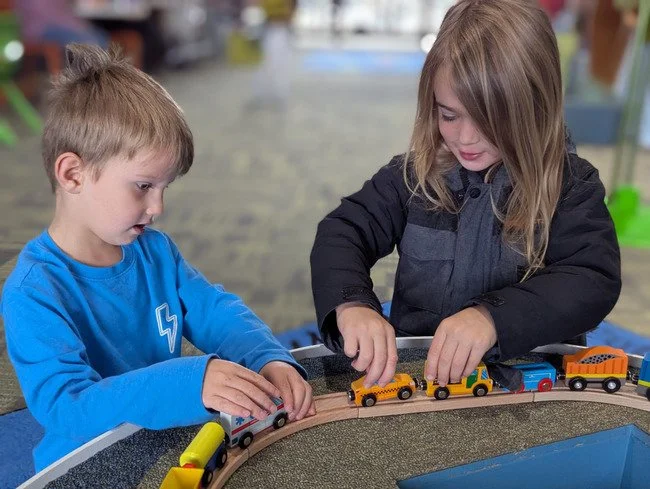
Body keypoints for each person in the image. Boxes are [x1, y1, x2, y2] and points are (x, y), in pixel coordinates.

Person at [0, 44, 314, 472]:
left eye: (165, 188)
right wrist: (190, 381)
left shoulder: (155, 250)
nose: (158, 207)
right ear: (72, 174)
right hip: (89, 467)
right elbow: (68, 405)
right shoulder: (33, 290)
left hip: (169, 447)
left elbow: (215, 310)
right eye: (143, 186)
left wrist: (266, 356)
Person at [310, 0, 621, 391]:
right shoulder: (414, 175)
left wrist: (492, 319)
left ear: (535, 108)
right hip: (422, 382)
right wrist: (351, 304)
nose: (465, 138)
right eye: (449, 115)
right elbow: (342, 230)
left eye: (490, 119)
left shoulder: (571, 186)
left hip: (531, 391)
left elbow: (591, 279)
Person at [14, 0, 109, 49]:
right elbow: (48, 15)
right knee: (89, 41)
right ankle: (87, 82)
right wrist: (77, 26)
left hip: (61, 25)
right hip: (40, 29)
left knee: (101, 36)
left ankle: (98, 81)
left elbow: (66, 11)